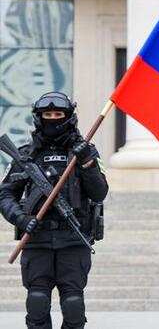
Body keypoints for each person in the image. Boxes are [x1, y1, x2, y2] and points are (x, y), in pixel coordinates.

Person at [0, 92, 109, 329]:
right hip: (36, 239)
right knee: (37, 302)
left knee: (73, 306)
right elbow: (5, 194)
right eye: (47, 114)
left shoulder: (84, 153)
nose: (52, 118)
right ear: (39, 118)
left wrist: (87, 163)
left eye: (57, 114)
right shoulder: (25, 155)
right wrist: (20, 218)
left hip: (73, 239)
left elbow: (99, 193)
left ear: (68, 117)